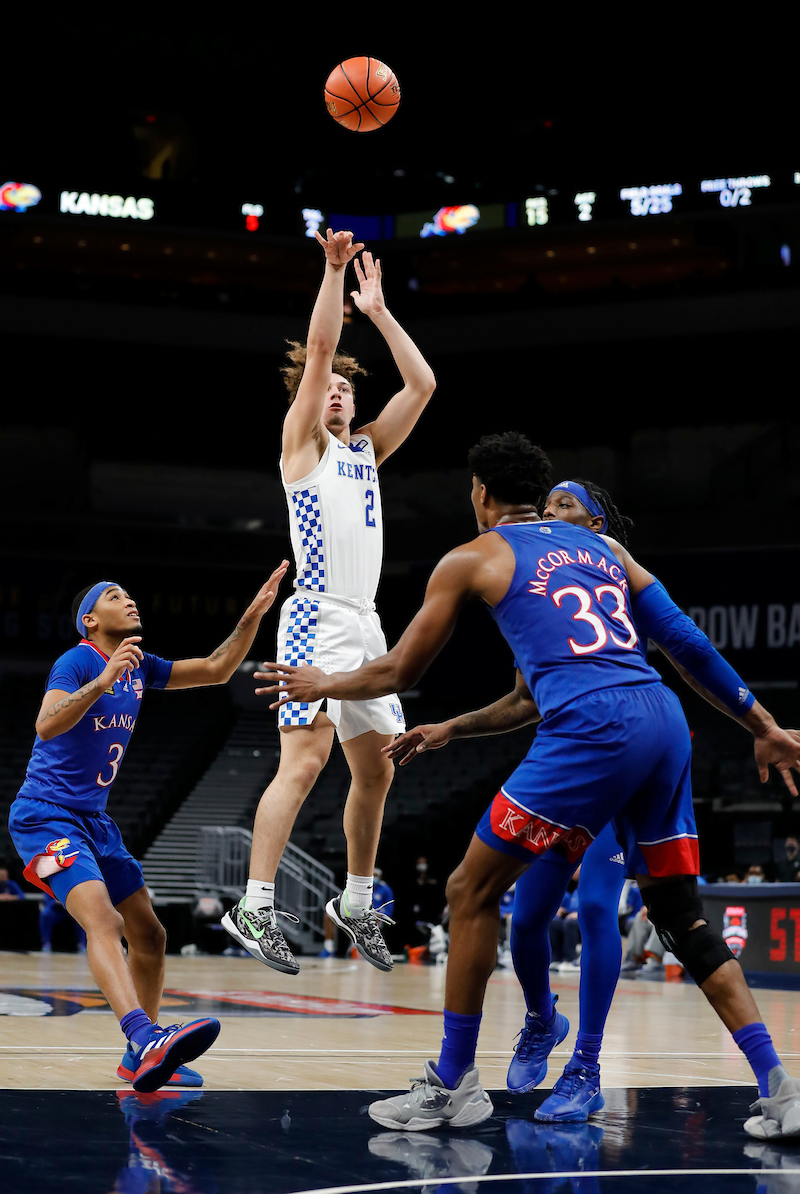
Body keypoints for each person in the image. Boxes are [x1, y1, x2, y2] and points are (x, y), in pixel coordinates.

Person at [257, 431, 800, 1139]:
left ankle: (454, 1084)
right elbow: (685, 643)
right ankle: (780, 1087)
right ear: (538, 496)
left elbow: (398, 672)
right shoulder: (606, 550)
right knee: (679, 917)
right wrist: (763, 724)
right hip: (662, 719)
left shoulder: (473, 557)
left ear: (480, 494)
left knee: (469, 892)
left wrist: (323, 681)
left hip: (590, 729)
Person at [222, 229, 436, 976]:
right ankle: (254, 905)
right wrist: (334, 272)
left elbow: (423, 386)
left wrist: (378, 313)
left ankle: (356, 899)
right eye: (329, 386)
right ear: (311, 401)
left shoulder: (365, 450)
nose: (339, 390)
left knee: (377, 769)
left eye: (349, 386)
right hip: (313, 616)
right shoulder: (302, 447)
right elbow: (318, 351)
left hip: (365, 622)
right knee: (306, 761)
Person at [8, 566, 287, 1091]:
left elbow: (217, 668)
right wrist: (101, 681)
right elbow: (46, 724)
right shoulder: (77, 661)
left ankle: (141, 1057)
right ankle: (143, 1036)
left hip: (95, 821)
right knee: (104, 921)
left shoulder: (141, 665)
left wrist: (252, 617)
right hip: (44, 815)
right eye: (115, 596)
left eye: (129, 594)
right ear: (90, 621)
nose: (130, 600)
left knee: (151, 935)